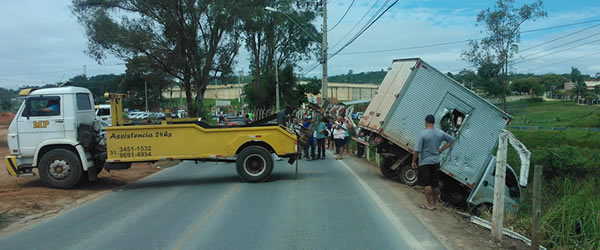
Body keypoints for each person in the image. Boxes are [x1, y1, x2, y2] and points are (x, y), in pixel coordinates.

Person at [412, 114, 454, 210]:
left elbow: (417, 151)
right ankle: (434, 204)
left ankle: (429, 204)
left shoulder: (423, 134)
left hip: (425, 162)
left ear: (425, 121)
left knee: (427, 184)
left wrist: (413, 161)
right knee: (434, 184)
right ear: (434, 122)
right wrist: (441, 149)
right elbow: (451, 140)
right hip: (436, 161)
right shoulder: (440, 133)